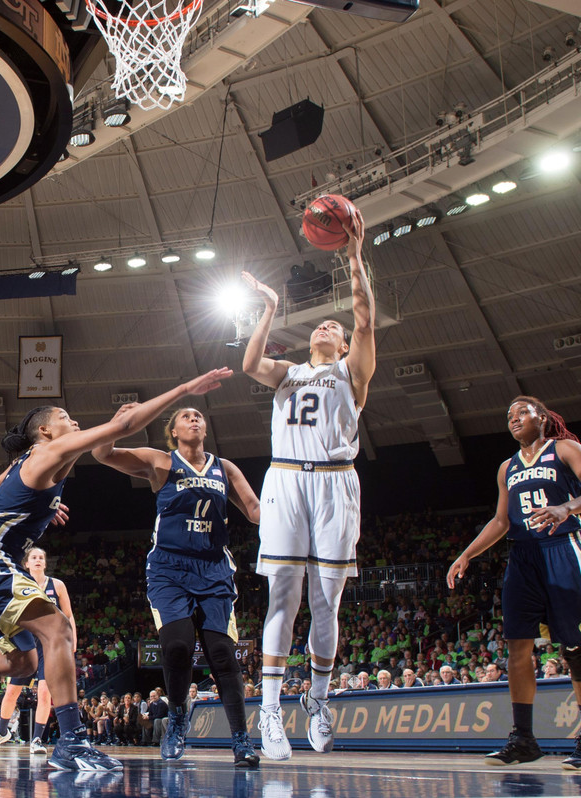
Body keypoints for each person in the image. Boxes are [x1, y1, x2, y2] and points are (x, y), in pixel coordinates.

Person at [0, 368, 233, 772]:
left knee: (22, 664)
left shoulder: (29, 460)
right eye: (65, 417)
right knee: (57, 628)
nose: (73, 421)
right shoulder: (46, 452)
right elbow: (124, 425)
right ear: (45, 430)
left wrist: (38, 503)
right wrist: (183, 389)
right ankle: (72, 741)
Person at [240, 207, 374, 760]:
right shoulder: (287, 371)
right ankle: (270, 710)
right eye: (321, 324)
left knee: (326, 603)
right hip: (287, 482)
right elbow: (251, 363)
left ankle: (317, 699)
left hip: (336, 485)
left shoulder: (351, 373)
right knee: (282, 598)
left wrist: (354, 257)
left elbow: (364, 318)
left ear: (342, 345)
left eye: (334, 328)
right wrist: (269, 308)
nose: (327, 327)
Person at [447, 396, 581, 771]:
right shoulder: (506, 467)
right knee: (517, 649)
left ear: (542, 417)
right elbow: (501, 521)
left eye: (522, 411)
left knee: (575, 649)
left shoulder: (566, 449)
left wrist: (566, 507)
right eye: (509, 415)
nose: (514, 419)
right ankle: (524, 739)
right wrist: (467, 554)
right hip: (523, 557)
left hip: (563, 551)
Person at [92, 404, 261, 767]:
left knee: (223, 656)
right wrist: (119, 423)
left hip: (214, 569)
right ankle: (179, 719)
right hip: (169, 568)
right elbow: (101, 452)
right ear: (174, 431)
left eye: (198, 415)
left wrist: (292, 510)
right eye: (186, 416)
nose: (194, 418)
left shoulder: (225, 468)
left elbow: (254, 509)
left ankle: (242, 740)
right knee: (178, 647)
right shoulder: (160, 462)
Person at [0, 547, 75, 756]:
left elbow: (68, 616)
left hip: (49, 645)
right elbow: (5, 614)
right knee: (11, 693)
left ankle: (36, 739)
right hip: (24, 642)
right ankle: (2, 732)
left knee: (44, 694)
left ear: (45, 563)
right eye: (34, 557)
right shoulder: (17, 583)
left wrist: (72, 641)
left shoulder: (57, 585)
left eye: (41, 557)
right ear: (26, 563)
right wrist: (0, 640)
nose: (38, 560)